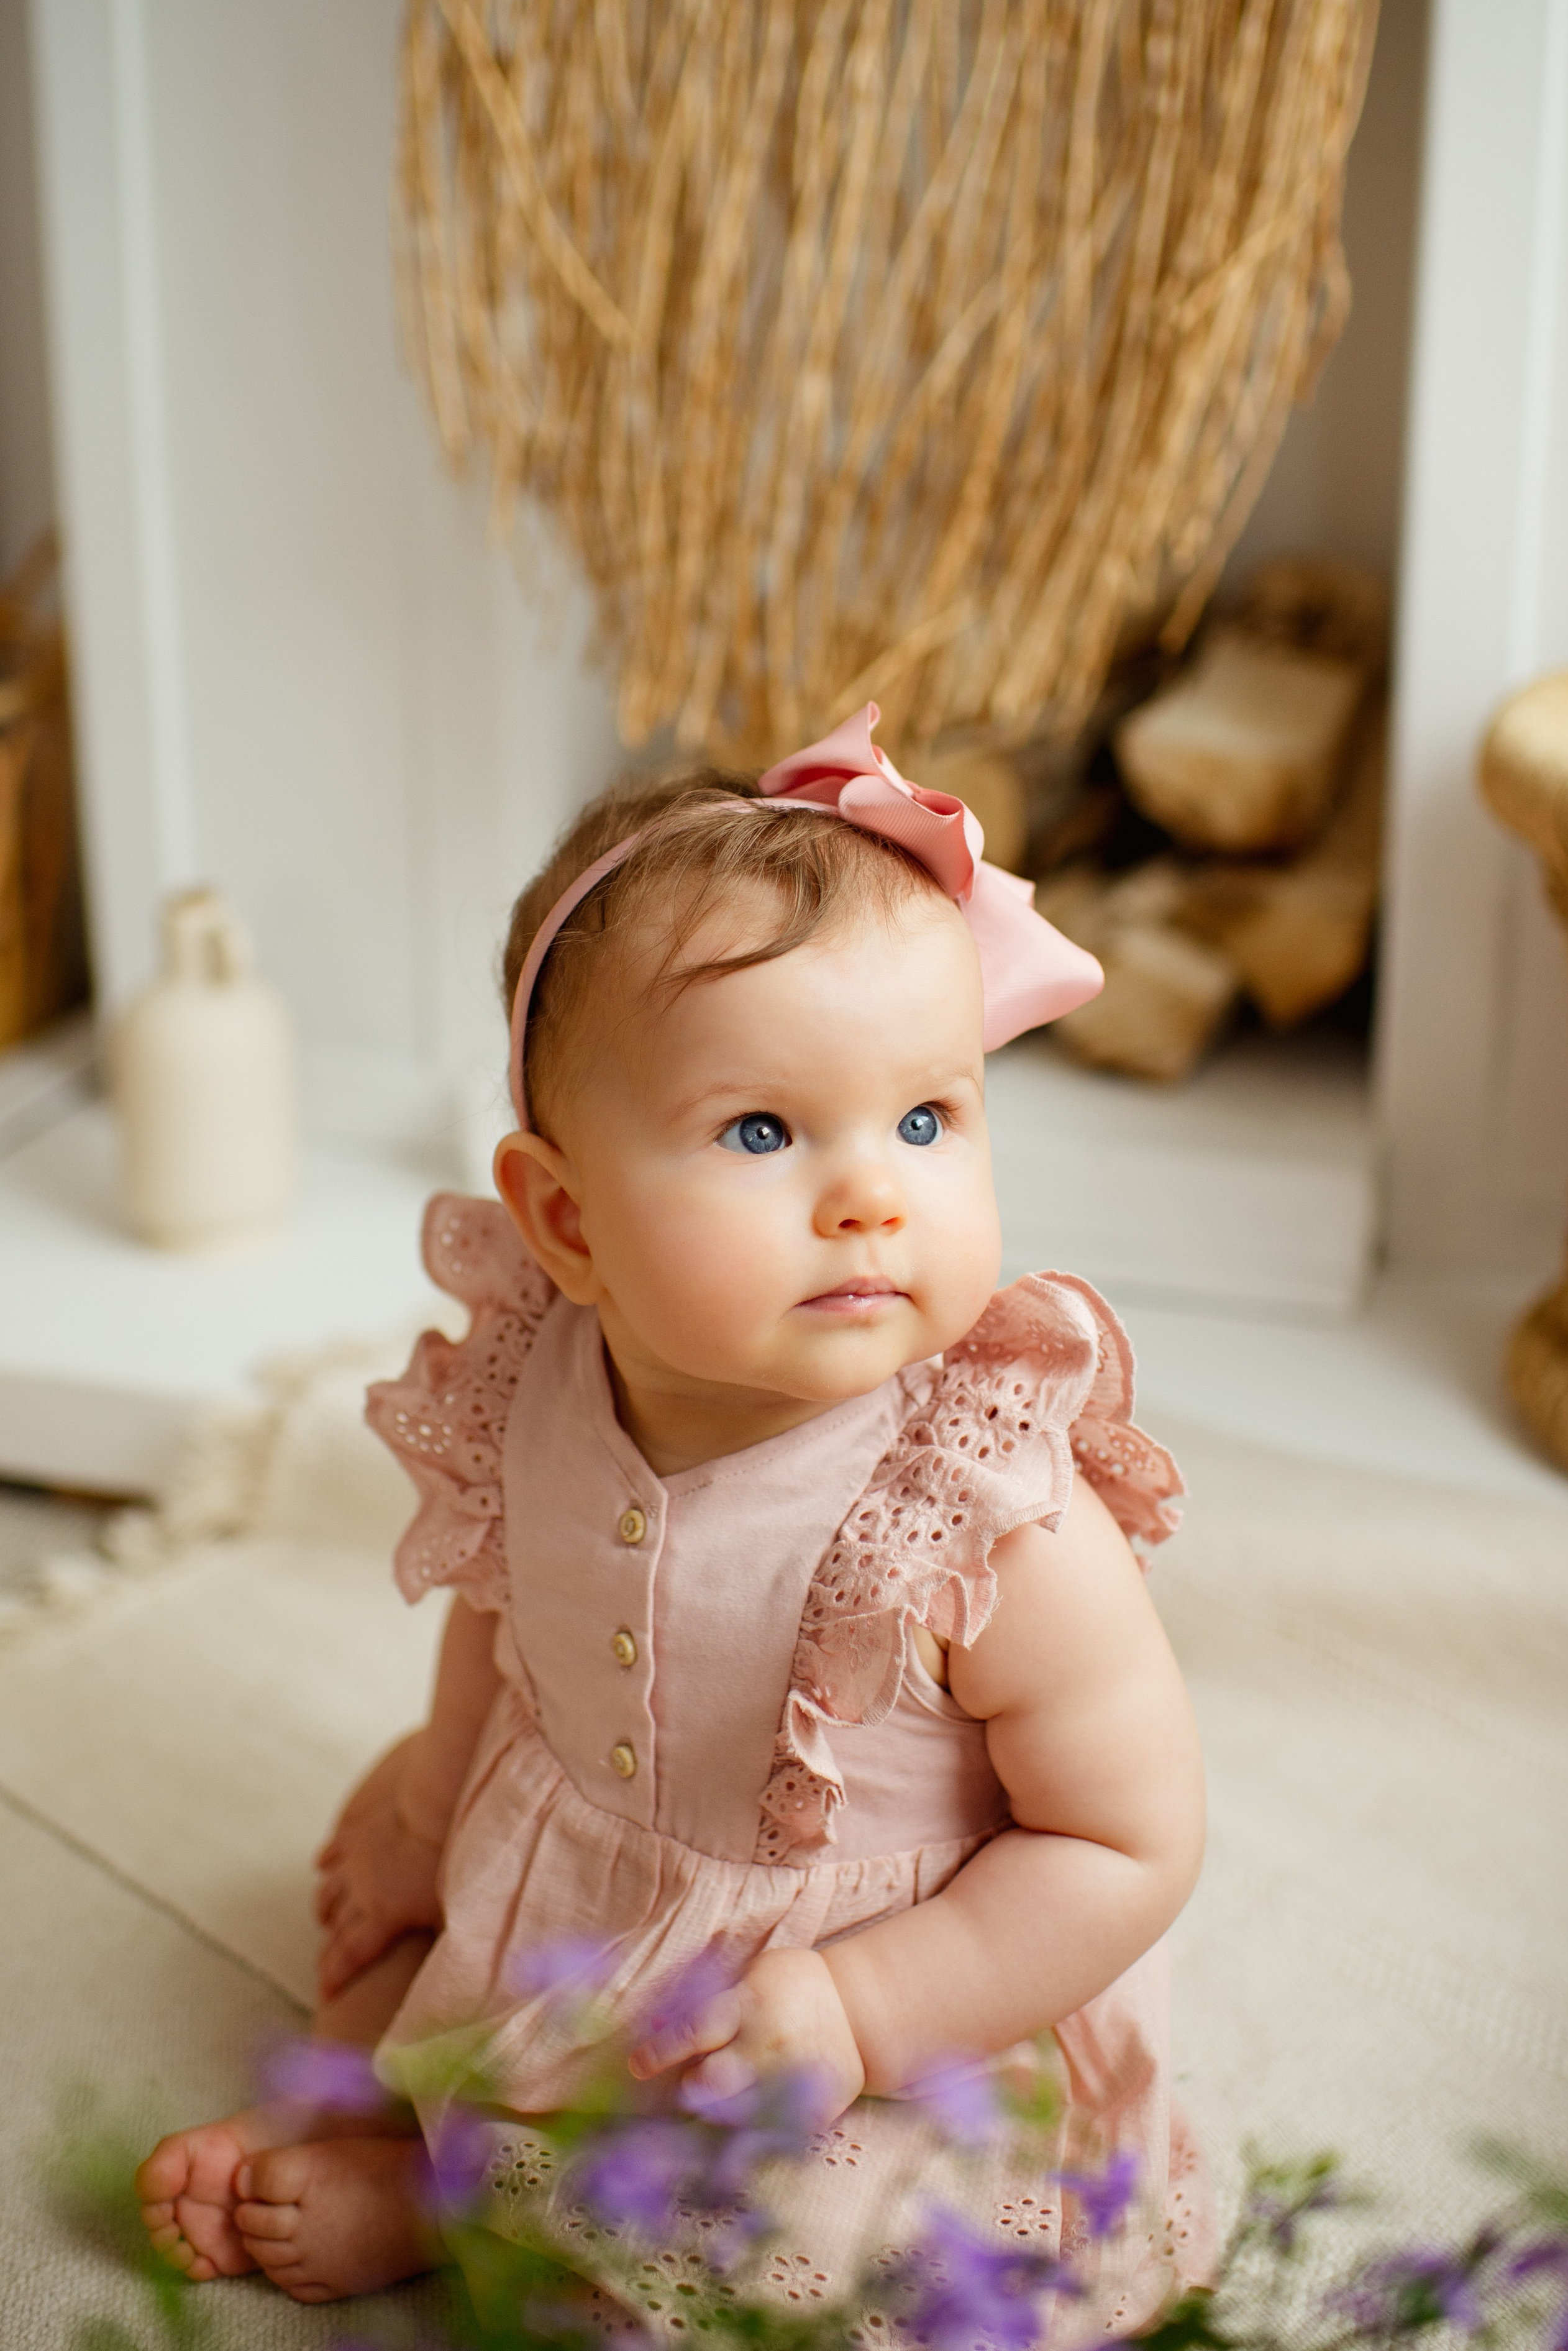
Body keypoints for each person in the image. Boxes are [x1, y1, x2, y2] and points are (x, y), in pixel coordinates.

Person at [136, 707, 1213, 2326]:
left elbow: (1127, 1841)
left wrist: (862, 2009)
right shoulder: (535, 1377)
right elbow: (502, 1614)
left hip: (877, 1992)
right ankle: (402, 2148)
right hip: (596, 1874)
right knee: (387, 1889)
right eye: (762, 1130)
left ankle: (482, 2202)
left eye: (928, 1118)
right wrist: (432, 1810)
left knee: (777, 2254)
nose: (873, 1193)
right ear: (565, 1219)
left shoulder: (983, 1509)